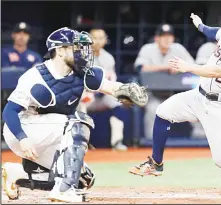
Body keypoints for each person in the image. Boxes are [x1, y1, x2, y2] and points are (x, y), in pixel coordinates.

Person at [129, 4, 221, 180]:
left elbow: (217, 71)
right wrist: (200, 25)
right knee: (163, 112)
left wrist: (189, 67)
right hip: (198, 95)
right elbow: (214, 32)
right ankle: (156, 163)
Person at [2, 27, 148, 202]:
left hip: (51, 131)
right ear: (60, 50)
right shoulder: (35, 76)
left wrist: (125, 91)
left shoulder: (81, 73)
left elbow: (110, 87)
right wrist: (22, 139)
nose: (82, 52)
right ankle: (63, 191)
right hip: (22, 130)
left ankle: (17, 174)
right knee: (78, 121)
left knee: (82, 178)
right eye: (76, 47)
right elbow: (9, 111)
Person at [134, 23, 205, 139]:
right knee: (153, 110)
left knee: (195, 106)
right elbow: (139, 67)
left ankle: (200, 143)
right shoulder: (148, 49)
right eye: (163, 36)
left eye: (169, 36)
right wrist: (165, 68)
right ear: (157, 38)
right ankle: (152, 144)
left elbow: (193, 66)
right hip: (154, 94)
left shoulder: (178, 49)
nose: (167, 39)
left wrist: (179, 68)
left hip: (175, 93)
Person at [77, 25, 128, 150]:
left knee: (118, 103)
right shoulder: (80, 55)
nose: (98, 41)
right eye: (95, 38)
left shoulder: (108, 58)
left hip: (103, 94)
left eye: (101, 38)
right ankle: (81, 142)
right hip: (85, 93)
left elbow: (112, 79)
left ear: (105, 40)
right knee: (81, 104)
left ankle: (117, 141)